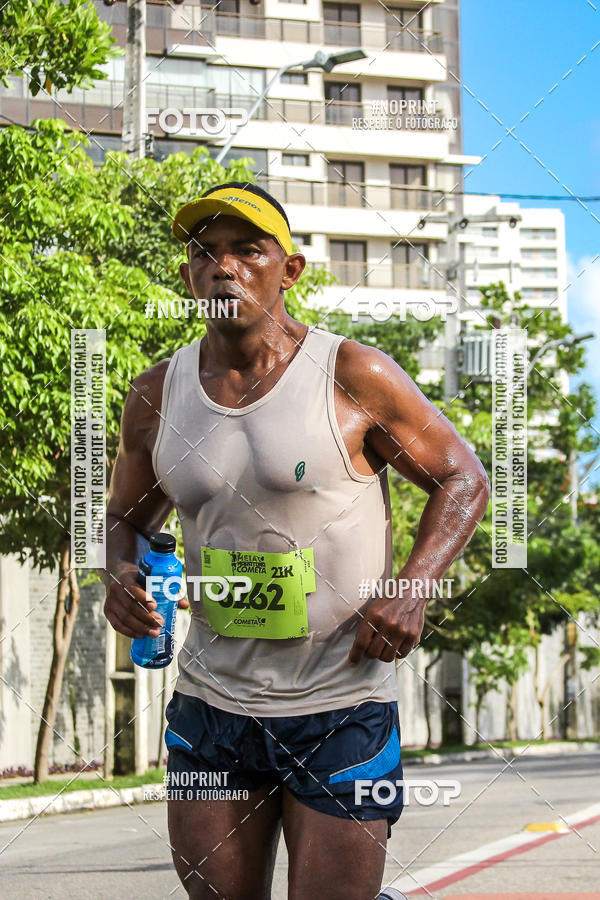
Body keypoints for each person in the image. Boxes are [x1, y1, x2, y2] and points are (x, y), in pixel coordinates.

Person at [101, 181, 490, 899]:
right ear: (187, 275)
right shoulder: (156, 396)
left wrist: (412, 587)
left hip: (341, 701)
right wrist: (118, 575)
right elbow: (126, 518)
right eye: (204, 252)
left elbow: (462, 478)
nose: (224, 267)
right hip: (211, 704)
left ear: (291, 270)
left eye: (248, 250)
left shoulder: (352, 375)